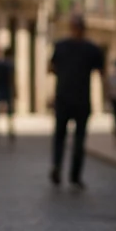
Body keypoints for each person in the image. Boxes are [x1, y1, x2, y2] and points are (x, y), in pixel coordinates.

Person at [48, 14, 105, 189]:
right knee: (79, 139)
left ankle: (58, 167)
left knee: (60, 137)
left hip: (64, 98)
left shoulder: (61, 46)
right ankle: (74, 176)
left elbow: (50, 68)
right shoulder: (92, 49)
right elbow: (101, 72)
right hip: (81, 100)